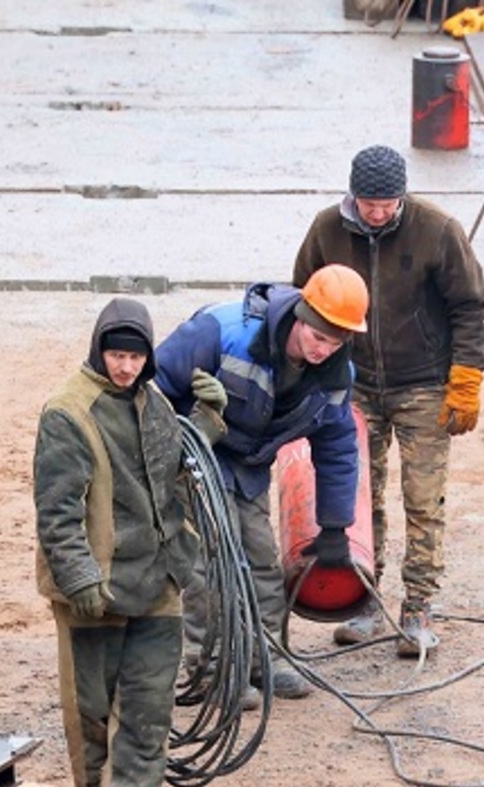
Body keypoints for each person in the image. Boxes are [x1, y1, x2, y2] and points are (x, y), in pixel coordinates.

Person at [33, 297, 223, 787]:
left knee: (148, 702)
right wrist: (79, 576)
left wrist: (207, 424)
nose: (125, 367)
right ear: (99, 350)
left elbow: (173, 474)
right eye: (117, 356)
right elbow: (57, 511)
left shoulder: (154, 403)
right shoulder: (67, 413)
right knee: (92, 708)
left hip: (158, 577)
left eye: (135, 358)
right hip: (98, 585)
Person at [292, 145, 484, 656]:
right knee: (359, 496)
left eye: (387, 204)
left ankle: (418, 605)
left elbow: (470, 307)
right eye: (368, 204)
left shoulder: (438, 230)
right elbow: (304, 301)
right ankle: (366, 597)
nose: (378, 213)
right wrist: (307, 375)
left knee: (424, 499)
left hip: (424, 383)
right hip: (353, 382)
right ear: (353, 196)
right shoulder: (327, 231)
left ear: (402, 196)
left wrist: (466, 377)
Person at [153, 266, 368, 700]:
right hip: (196, 452)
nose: (324, 350)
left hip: (249, 464)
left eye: (336, 342)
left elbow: (337, 448)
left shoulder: (335, 375)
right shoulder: (221, 332)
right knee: (209, 562)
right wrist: (177, 442)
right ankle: (210, 667)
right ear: (301, 317)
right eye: (318, 337)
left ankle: (265, 656)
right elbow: (150, 389)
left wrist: (334, 526)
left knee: (261, 559)